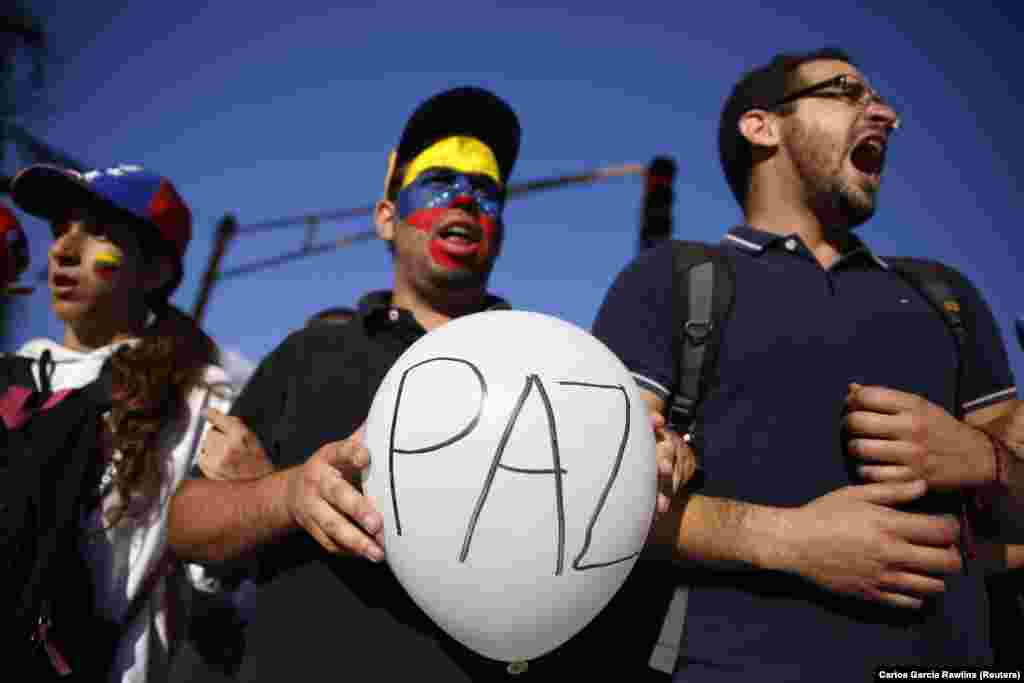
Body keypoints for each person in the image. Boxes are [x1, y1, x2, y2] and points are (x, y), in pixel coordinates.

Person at [168, 86, 689, 682]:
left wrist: (650, 462)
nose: (465, 198)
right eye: (439, 181)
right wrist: (286, 496)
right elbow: (187, 523)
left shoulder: (554, 370)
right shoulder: (312, 351)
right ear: (386, 218)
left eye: (486, 191)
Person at [592, 48, 1020, 681]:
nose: (885, 114)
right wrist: (788, 541)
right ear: (762, 126)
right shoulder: (674, 279)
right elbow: (588, 499)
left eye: (879, 100)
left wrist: (982, 462)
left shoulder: (947, 297)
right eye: (846, 90)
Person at [5, 163, 232, 682]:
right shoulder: (10, 378)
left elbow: (215, 576)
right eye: (60, 229)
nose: (63, 250)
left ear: (154, 271)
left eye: (97, 232)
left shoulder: (198, 397)